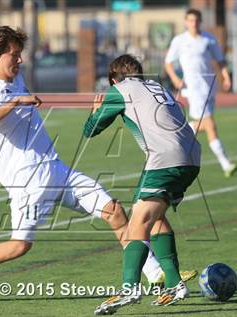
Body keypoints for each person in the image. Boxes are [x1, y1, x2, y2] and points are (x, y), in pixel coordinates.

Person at [0, 26, 195, 305]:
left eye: (20, 54)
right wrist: (15, 102)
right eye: (13, 55)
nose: (20, 60)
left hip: (57, 170)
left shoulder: (17, 79)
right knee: (19, 246)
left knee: (114, 211)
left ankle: (155, 274)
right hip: (28, 182)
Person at [83, 54, 201, 315]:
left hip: (165, 160)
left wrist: (94, 113)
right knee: (156, 217)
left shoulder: (119, 90)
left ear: (114, 79)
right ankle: (174, 283)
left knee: (138, 222)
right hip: (193, 157)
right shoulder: (158, 86)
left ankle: (129, 288)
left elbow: (90, 130)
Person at [165, 8, 237, 178]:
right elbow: (168, 63)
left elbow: (220, 60)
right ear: (185, 22)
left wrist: (226, 77)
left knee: (200, 125)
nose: (193, 23)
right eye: (190, 20)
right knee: (210, 124)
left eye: (196, 20)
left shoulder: (208, 39)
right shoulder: (179, 41)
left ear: (200, 22)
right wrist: (175, 78)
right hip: (194, 88)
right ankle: (226, 163)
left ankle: (179, 132)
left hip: (209, 87)